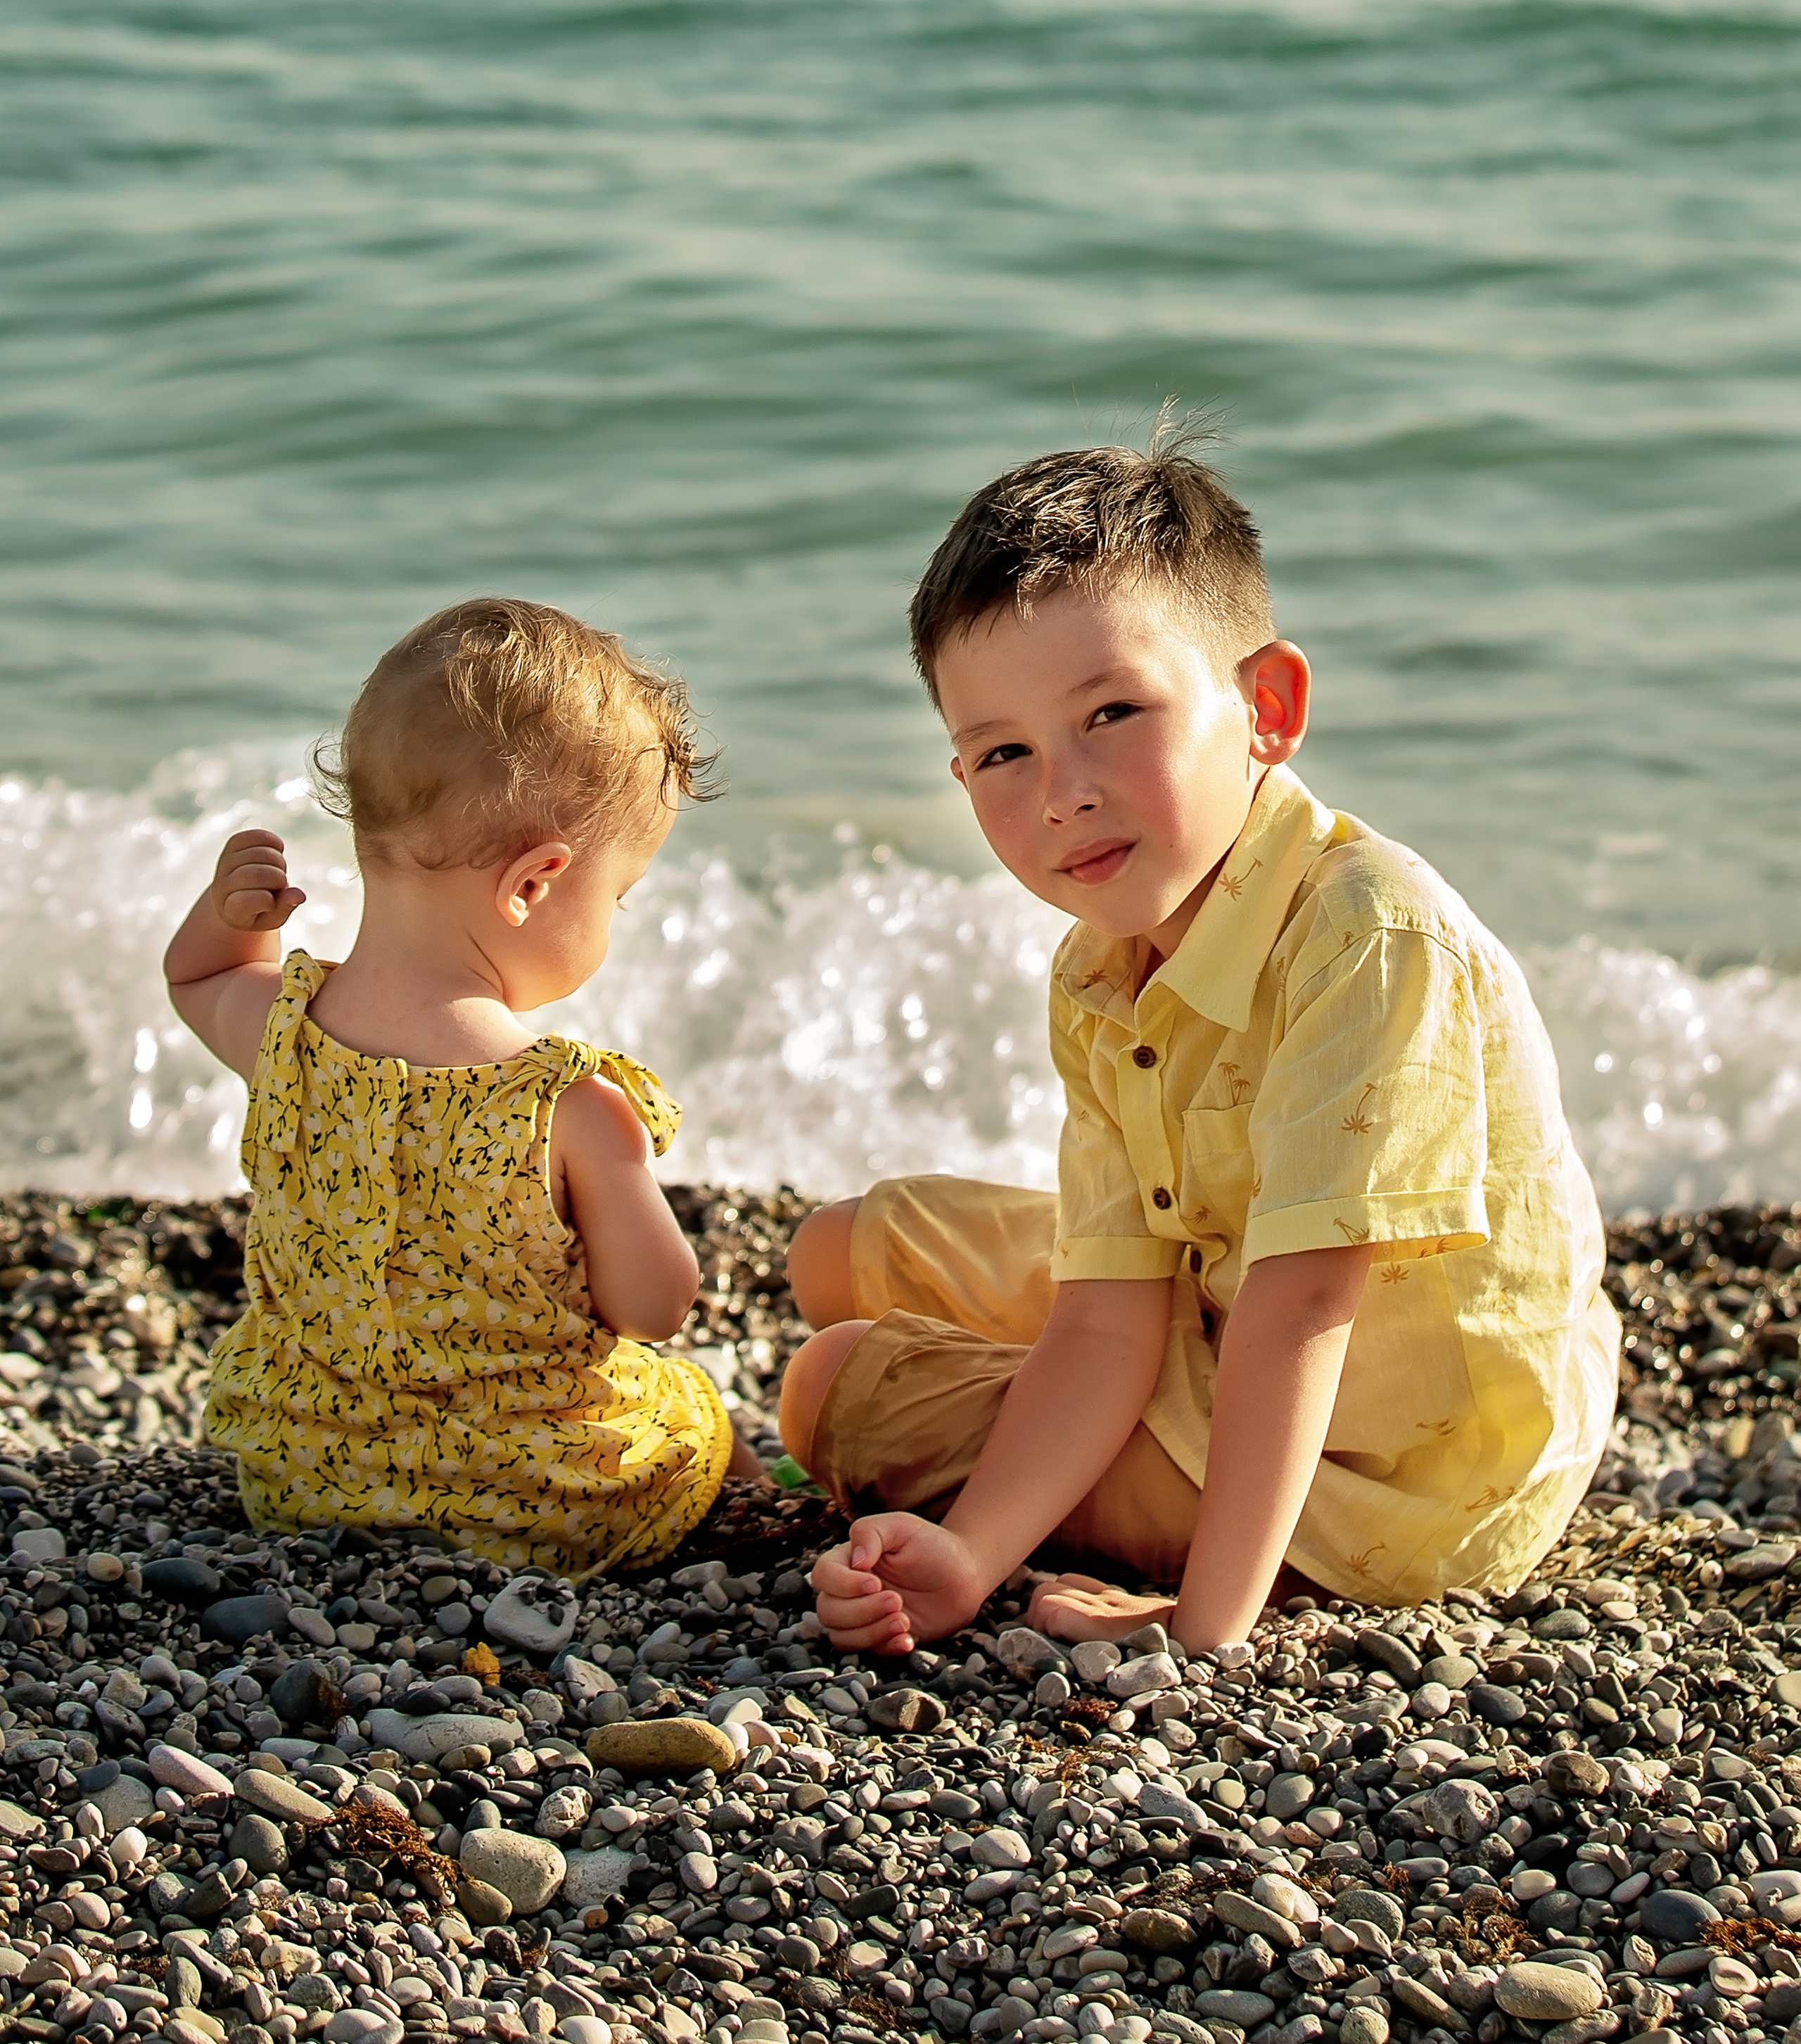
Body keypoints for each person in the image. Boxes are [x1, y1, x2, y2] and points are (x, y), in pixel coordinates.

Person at [784, 436, 1619, 1654]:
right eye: (1003, 752)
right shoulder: (1097, 968)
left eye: (1112, 713)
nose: (1062, 792)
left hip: (1401, 1472)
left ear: (1264, 708)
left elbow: (1305, 1308)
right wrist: (971, 1561)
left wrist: (1201, 1626)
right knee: (836, 1252)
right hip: (1213, 1306)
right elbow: (1109, 1316)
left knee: (830, 1384)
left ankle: (1227, 1538)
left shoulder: (1366, 934)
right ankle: (1061, 1448)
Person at [165, 597, 761, 1573]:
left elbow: (199, 978)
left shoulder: (286, 1036)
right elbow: (654, 1306)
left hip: (297, 1475)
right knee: (687, 1406)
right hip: (534, 1504)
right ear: (535, 885)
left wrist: (236, 921)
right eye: (615, 896)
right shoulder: (569, 1104)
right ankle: (765, 1510)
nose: (611, 921)